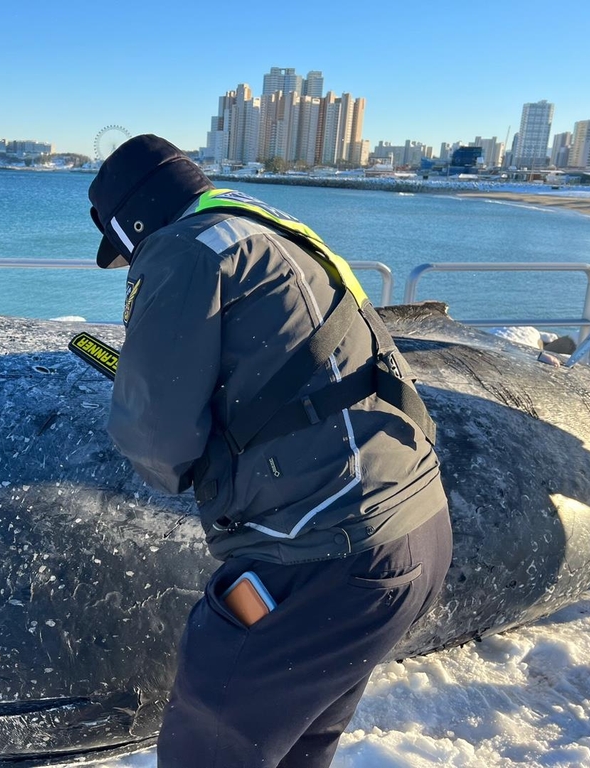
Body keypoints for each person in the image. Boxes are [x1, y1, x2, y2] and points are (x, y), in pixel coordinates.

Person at [86, 134, 453, 767]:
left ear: (132, 224)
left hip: (322, 554)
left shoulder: (181, 250)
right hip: (409, 528)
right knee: (298, 743)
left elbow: (154, 436)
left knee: (213, 732)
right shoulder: (260, 226)